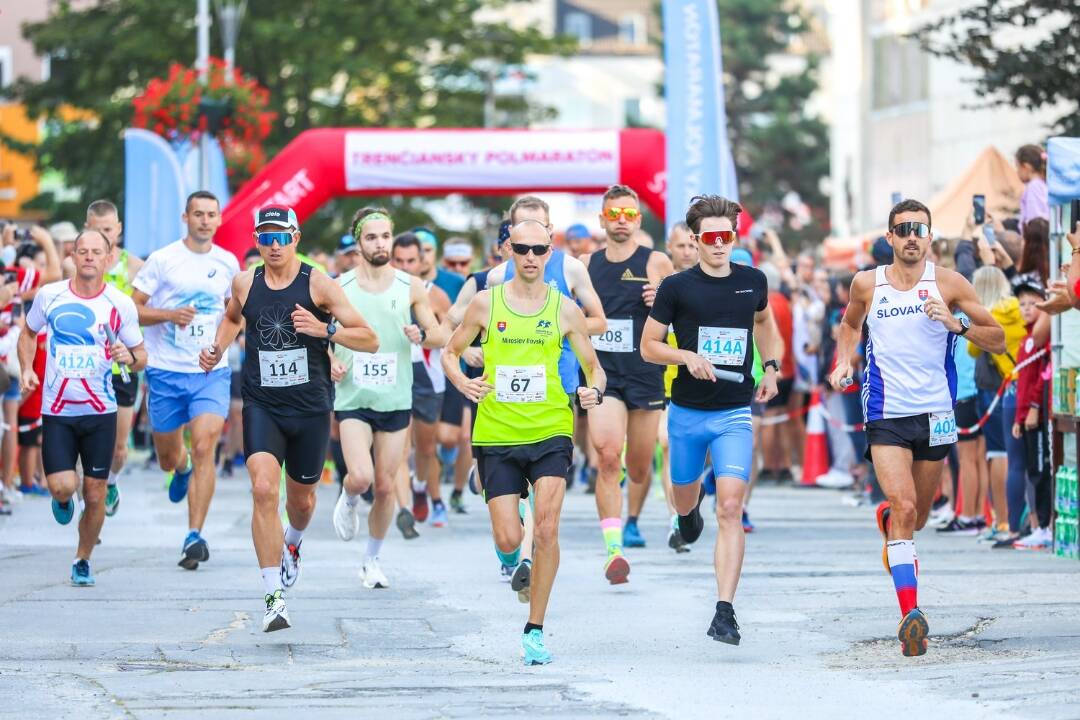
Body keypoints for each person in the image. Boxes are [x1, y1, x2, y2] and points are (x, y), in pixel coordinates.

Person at [829, 198, 1004, 657]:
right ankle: (911, 616)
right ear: (890, 238)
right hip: (886, 410)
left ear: (929, 238)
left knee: (916, 518)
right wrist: (845, 360)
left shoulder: (949, 283)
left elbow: (999, 339)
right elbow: (849, 326)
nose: (911, 236)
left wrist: (956, 323)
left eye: (919, 229)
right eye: (902, 228)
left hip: (937, 412)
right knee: (904, 504)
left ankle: (891, 526)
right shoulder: (867, 284)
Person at [199, 205, 377, 632]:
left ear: (296, 238)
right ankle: (273, 595)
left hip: (310, 406)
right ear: (257, 240)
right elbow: (231, 317)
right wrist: (217, 348)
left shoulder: (319, 284)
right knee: (263, 487)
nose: (274, 245)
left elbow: (368, 339)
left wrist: (324, 330)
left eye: (282, 236)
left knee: (301, 501)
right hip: (262, 403)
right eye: (266, 237)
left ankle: (292, 544)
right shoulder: (245, 281)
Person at [442, 218, 605, 665]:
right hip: (496, 432)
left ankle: (534, 629)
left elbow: (594, 367)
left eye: (538, 249)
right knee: (510, 538)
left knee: (548, 529)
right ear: (508, 252)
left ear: (549, 252)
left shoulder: (565, 308)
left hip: (551, 427)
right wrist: (462, 382)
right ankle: (508, 549)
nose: (530, 257)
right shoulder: (484, 303)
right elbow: (450, 351)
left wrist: (595, 390)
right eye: (522, 249)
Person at [641, 195, 782, 646]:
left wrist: (773, 367)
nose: (720, 245)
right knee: (686, 501)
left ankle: (724, 610)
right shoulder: (677, 288)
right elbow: (648, 346)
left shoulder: (753, 281)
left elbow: (765, 324)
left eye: (727, 237)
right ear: (696, 241)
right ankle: (687, 513)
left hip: (734, 412)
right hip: (686, 411)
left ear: (735, 238)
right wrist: (685, 356)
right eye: (711, 238)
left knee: (730, 507)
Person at [18, 230, 146, 585]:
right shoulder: (50, 296)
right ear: (73, 256)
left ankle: (83, 558)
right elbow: (28, 333)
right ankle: (61, 498)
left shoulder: (120, 304)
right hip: (58, 411)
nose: (89, 257)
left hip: (100, 411)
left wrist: (129, 356)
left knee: (94, 493)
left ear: (108, 259)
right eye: (82, 251)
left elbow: (141, 357)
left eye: (96, 252)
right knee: (61, 486)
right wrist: (27, 368)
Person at [330, 209, 446, 588]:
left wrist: (422, 335)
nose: (380, 244)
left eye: (385, 236)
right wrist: (330, 360)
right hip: (353, 396)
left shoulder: (410, 286)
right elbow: (318, 334)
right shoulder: (339, 286)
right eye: (371, 237)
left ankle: (372, 560)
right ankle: (348, 500)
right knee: (360, 478)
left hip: (396, 398)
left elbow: (439, 333)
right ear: (359, 242)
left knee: (384, 486)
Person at [131, 191, 240, 570]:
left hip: (210, 371)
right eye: (198, 214)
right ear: (186, 217)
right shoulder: (163, 260)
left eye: (211, 214)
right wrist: (168, 315)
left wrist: (220, 347)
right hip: (166, 371)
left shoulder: (228, 262)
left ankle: (194, 535)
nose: (205, 220)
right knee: (169, 457)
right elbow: (133, 309)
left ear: (219, 219)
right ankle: (180, 469)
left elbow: (234, 315)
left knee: (206, 444)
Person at [583, 184, 673, 581]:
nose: (621, 221)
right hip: (604, 374)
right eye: (613, 215)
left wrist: (663, 302)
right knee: (606, 456)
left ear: (638, 219)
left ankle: (641, 508)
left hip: (644, 373)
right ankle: (613, 549)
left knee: (637, 467)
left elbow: (680, 314)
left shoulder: (656, 262)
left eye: (629, 215)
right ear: (602, 220)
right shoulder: (585, 263)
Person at [389, 232, 455, 526]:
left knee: (427, 448)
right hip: (394, 376)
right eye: (398, 261)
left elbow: (449, 335)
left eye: (410, 261)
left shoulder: (434, 294)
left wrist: (425, 336)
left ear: (421, 261)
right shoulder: (381, 290)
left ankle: (420, 488)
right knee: (400, 448)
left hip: (428, 379)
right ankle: (403, 509)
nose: (404, 267)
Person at [86, 200, 145, 518]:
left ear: (118, 229)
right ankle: (88, 506)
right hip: (86, 366)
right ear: (86, 228)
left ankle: (111, 482)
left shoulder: (135, 266)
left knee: (119, 448)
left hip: (122, 365)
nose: (102, 237)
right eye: (96, 230)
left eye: (108, 230)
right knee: (85, 443)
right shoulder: (78, 266)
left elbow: (146, 312)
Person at [1010, 277, 1052, 549]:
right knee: (1031, 470)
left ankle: (1046, 526)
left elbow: (1041, 380)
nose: (1026, 308)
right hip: (1025, 418)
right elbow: (1022, 385)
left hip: (1036, 416)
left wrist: (1035, 408)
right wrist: (1018, 417)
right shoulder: (1025, 340)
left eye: (1032, 303)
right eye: (1022, 303)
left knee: (1040, 470)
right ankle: (1038, 524)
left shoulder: (1042, 342)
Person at [1015, 144, 1049, 232]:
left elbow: (1034, 220)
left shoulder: (1033, 187)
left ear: (1026, 167)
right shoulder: (1043, 184)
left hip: (1035, 241)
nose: (1017, 172)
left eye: (1017, 167)